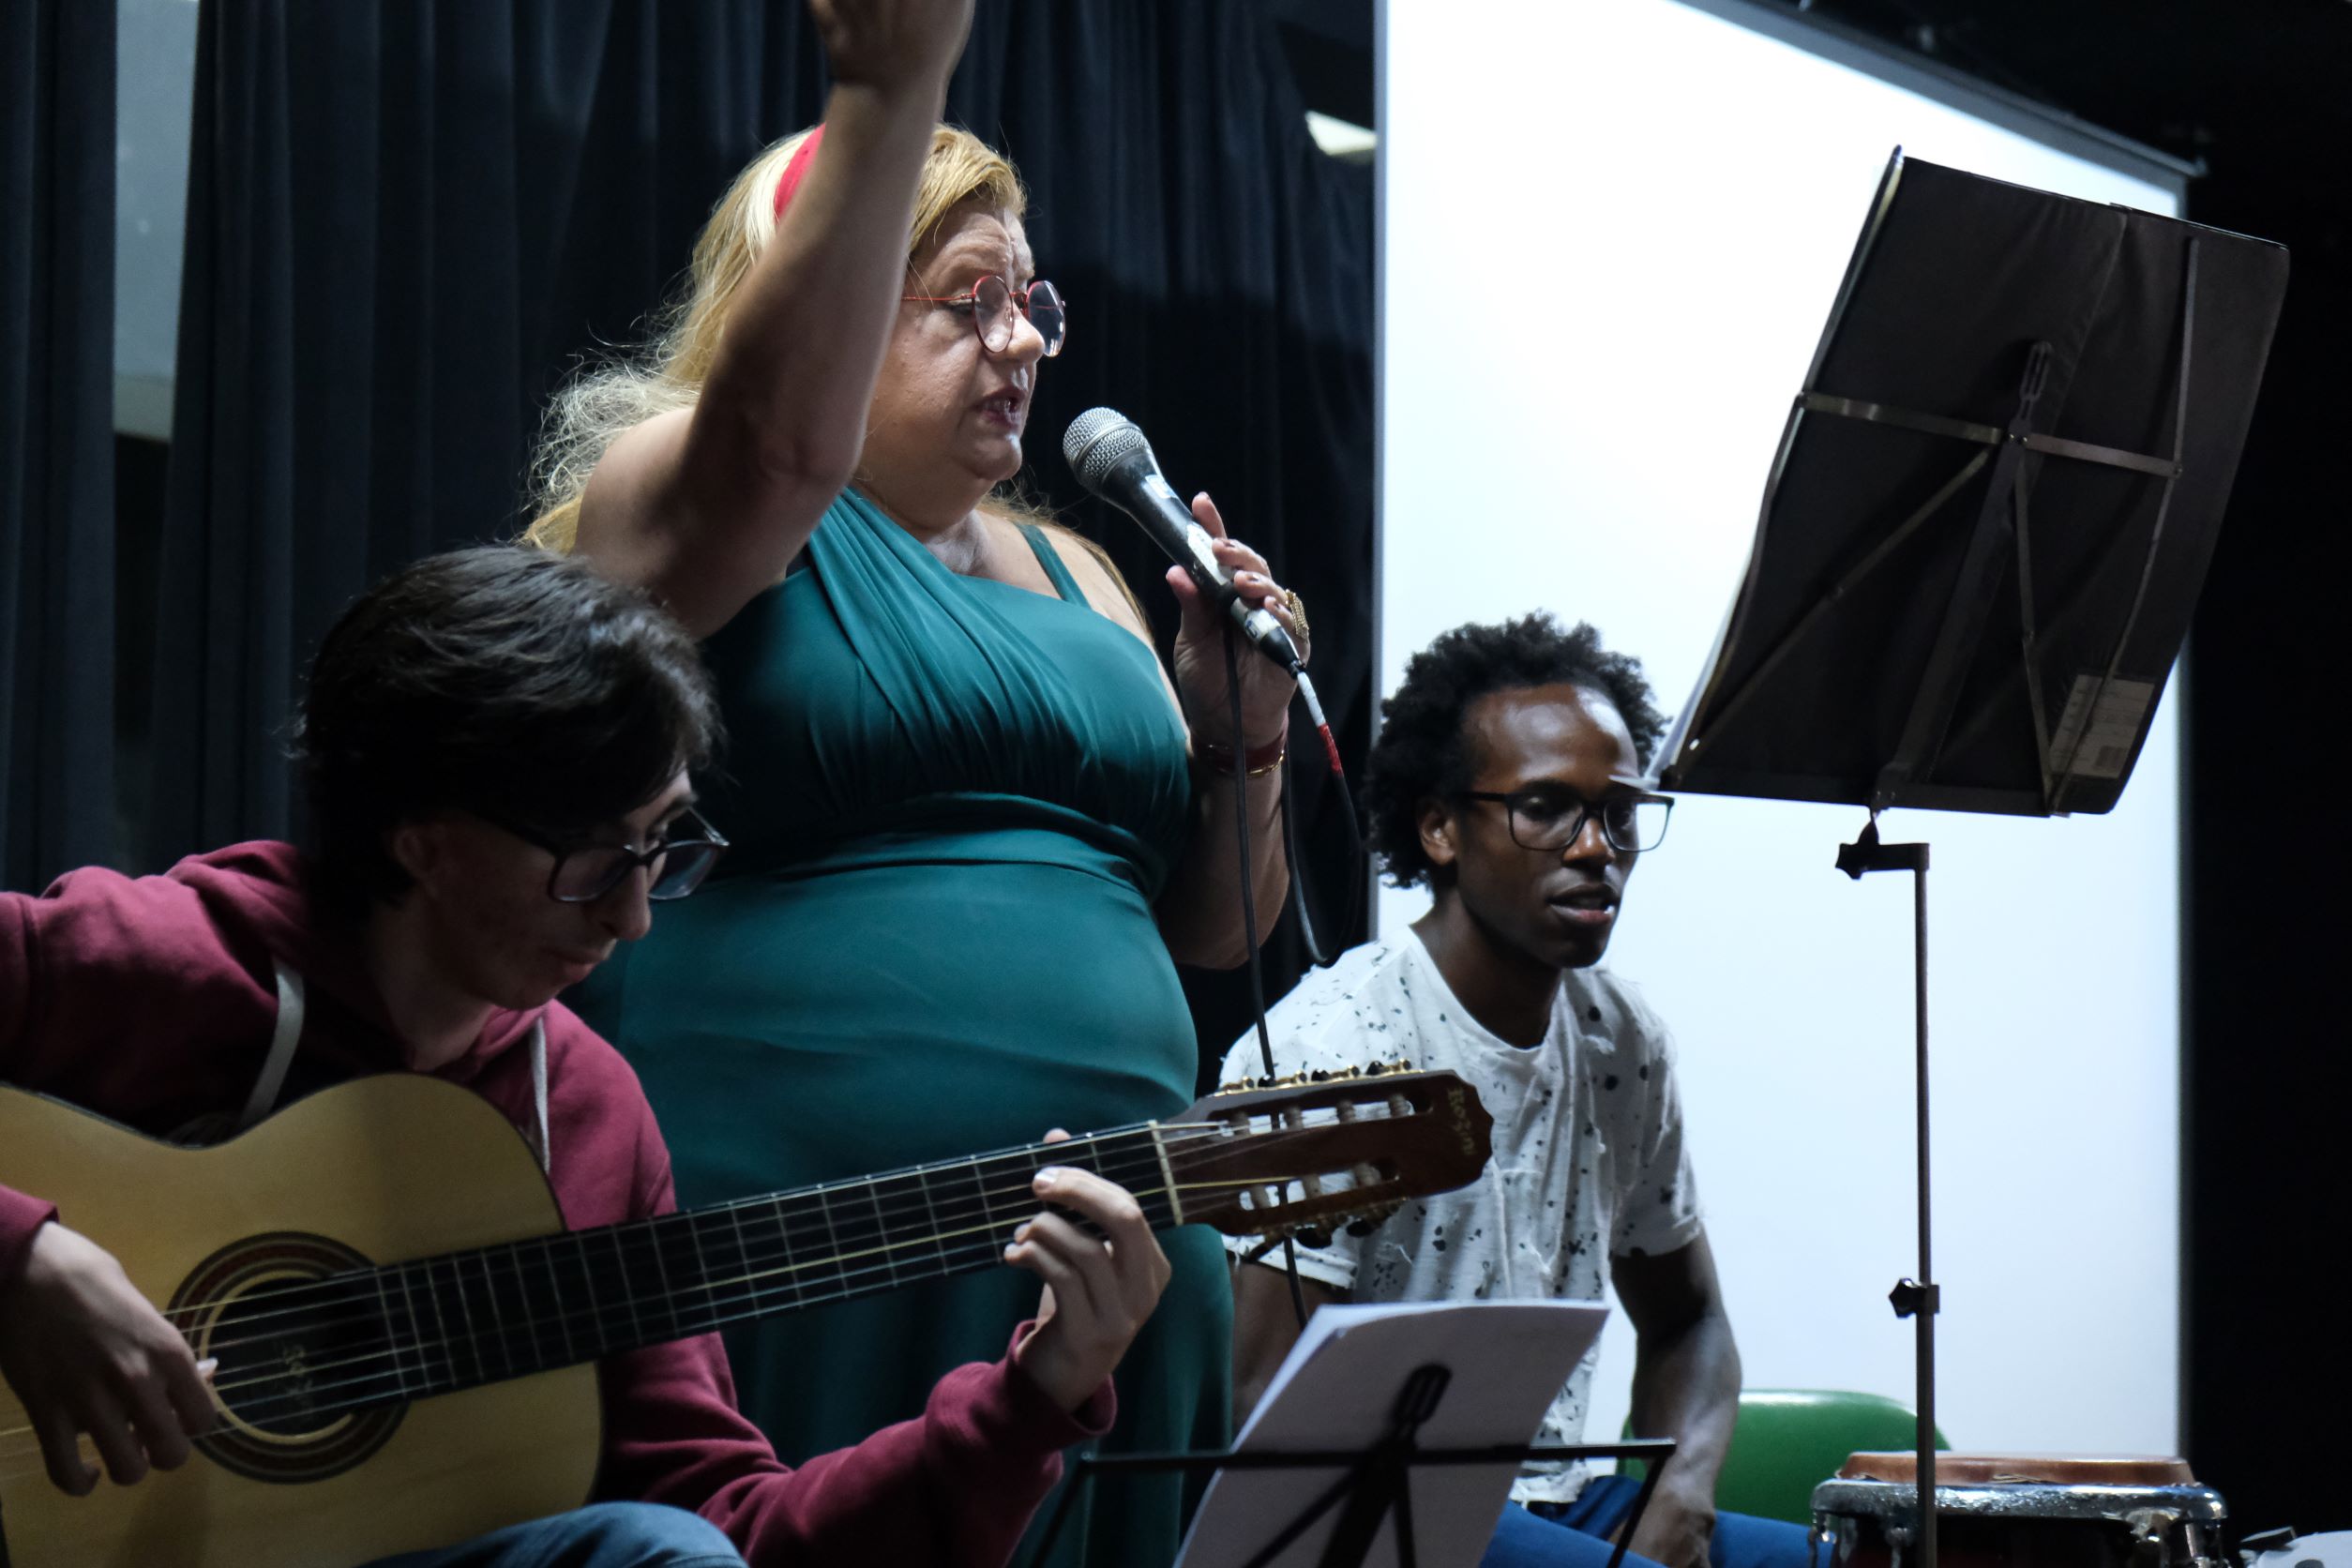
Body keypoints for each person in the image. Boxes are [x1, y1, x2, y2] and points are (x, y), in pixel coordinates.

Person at [523, 4, 1304, 1561]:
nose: (1019, 339)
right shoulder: (694, 497)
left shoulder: (1088, 573)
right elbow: (767, 452)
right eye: (962, 300)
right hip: (817, 1228)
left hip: (1109, 1243)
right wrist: (895, 85)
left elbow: (1216, 931)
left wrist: (1243, 738)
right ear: (813, 305)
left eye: (1033, 301)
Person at [0, 547, 1172, 1568]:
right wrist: (25, 1260)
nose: (634, 921)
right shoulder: (176, 963)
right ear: (425, 844)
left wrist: (1032, 1398)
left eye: (663, 843)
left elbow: (724, 1527)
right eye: (589, 863)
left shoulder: (590, 1111)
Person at [1223, 614, 1813, 1568]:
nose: (1596, 848)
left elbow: (1691, 1320)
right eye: (1546, 807)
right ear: (1439, 827)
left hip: (1564, 1504)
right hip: (1380, 1516)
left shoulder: (1620, 1039)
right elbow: (1258, 1409)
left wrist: (1678, 1498)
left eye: (1618, 812)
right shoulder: (1333, 1045)